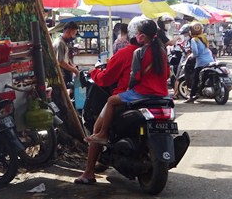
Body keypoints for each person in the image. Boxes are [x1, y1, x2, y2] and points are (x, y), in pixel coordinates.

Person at [74, 18, 141, 185]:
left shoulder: (127, 53)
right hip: (156, 97)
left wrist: (94, 72)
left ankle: (88, 173)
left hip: (128, 97)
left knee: (97, 128)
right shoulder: (157, 53)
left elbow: (106, 79)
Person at [85, 19, 170, 145]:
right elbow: (167, 74)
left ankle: (102, 134)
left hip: (142, 93)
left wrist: (131, 89)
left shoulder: (138, 52)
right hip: (161, 94)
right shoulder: (161, 52)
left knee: (111, 101)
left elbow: (134, 76)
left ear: (141, 35)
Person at [185, 21, 215, 103]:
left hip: (201, 62)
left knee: (195, 79)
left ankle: (192, 96)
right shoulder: (203, 37)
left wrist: (192, 56)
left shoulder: (194, 40)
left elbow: (195, 52)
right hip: (210, 60)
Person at [53, 21, 80, 86]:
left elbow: (66, 58)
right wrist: (75, 70)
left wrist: (72, 65)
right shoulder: (60, 43)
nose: (73, 36)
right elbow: (61, 62)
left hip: (66, 72)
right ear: (67, 31)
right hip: (61, 74)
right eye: (73, 33)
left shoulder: (65, 42)